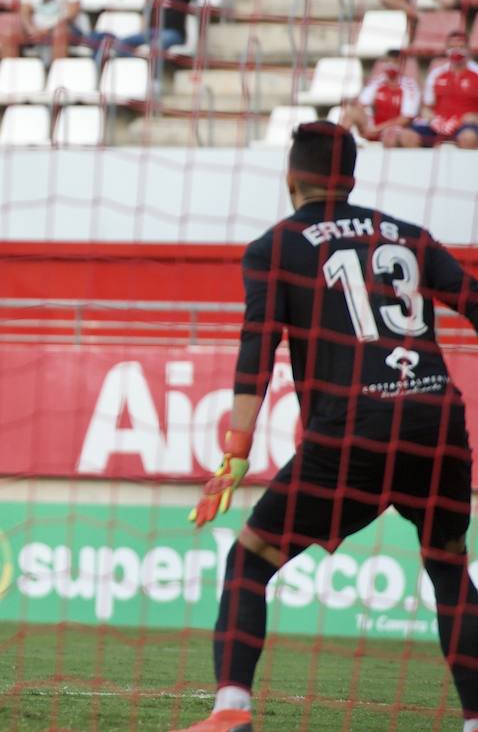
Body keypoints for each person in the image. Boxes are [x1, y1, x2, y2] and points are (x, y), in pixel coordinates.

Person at [179, 122, 478, 732]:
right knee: (447, 565)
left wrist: (235, 453)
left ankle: (232, 708)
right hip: (436, 419)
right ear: (353, 178)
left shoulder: (277, 245)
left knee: (251, 558)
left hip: (354, 428)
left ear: (292, 178)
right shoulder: (409, 235)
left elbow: (257, 350)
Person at [339, 50, 421, 146]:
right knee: (351, 112)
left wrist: (378, 128)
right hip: (375, 126)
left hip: (397, 129)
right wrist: (368, 127)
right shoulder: (378, 82)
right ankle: (341, 143)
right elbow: (361, 104)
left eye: (394, 62)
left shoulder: (410, 86)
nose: (390, 65)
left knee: (392, 137)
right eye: (388, 62)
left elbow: (406, 119)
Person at [414, 31, 478, 148]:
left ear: (468, 49)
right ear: (446, 50)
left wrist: (475, 117)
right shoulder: (436, 74)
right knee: (407, 136)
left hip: (467, 126)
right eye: (452, 47)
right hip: (439, 124)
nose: (456, 51)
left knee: (468, 138)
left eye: (461, 47)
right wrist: (432, 119)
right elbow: (426, 107)